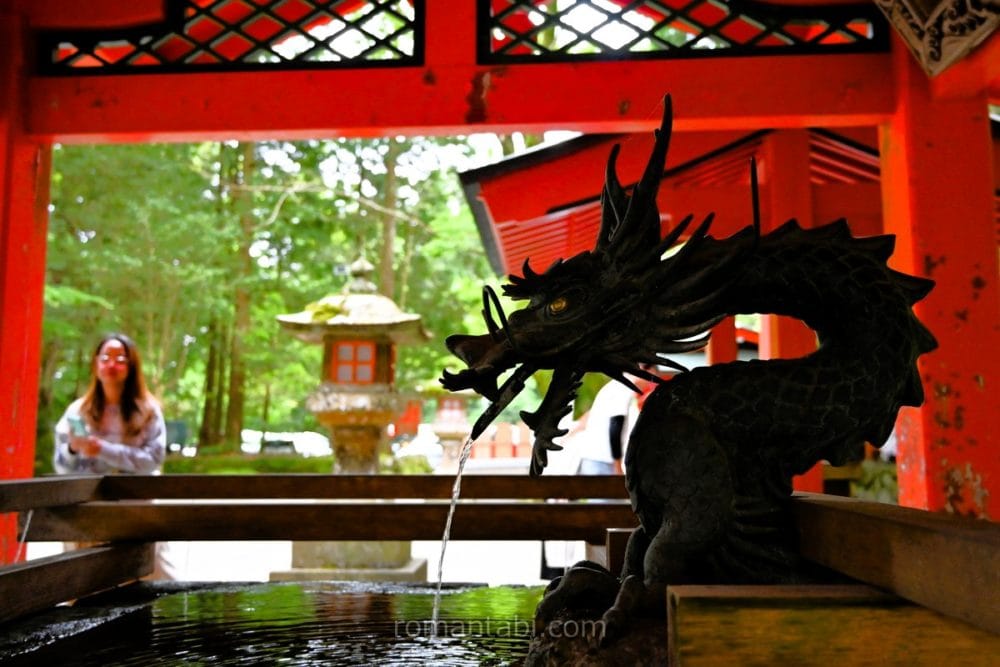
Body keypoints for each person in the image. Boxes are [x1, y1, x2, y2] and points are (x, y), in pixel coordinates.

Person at [53, 332, 174, 578]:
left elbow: (152, 460)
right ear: (96, 363)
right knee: (81, 579)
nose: (112, 364)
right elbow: (61, 467)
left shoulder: (148, 411)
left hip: (137, 508)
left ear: (131, 366)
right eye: (105, 357)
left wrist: (103, 450)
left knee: (156, 578)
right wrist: (74, 449)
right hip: (89, 510)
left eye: (120, 358)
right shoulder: (78, 411)